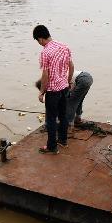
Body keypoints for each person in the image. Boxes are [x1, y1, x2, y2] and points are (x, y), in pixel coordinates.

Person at [33, 24, 73, 154]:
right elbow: (71, 66)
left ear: (40, 38)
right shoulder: (64, 46)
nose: (39, 43)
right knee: (63, 115)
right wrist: (67, 81)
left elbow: (46, 75)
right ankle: (63, 141)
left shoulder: (45, 52)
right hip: (64, 87)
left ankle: (52, 147)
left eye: (38, 41)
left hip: (53, 91)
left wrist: (41, 92)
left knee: (50, 119)